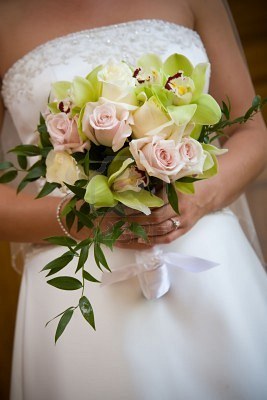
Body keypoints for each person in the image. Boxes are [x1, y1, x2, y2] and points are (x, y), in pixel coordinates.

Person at [0, 0, 267, 399]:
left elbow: (252, 131)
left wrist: (195, 200)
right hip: (81, 282)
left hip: (204, 259)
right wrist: (80, 217)